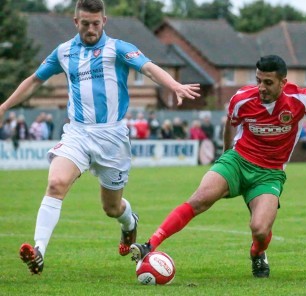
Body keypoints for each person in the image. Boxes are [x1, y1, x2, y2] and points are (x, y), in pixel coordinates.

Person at [129, 55, 306, 278]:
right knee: (199, 199)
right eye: (258, 80)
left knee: (260, 229)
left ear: (283, 82)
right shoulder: (242, 98)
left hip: (269, 173)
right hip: (238, 160)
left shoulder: (299, 99)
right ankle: (150, 244)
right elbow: (230, 123)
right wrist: (224, 155)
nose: (262, 87)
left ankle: (257, 253)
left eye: (268, 82)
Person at [0, 0, 200, 275]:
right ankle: (39, 251)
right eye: (85, 24)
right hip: (78, 133)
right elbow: (35, 80)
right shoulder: (64, 52)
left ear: (104, 21)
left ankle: (129, 223)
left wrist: (174, 85)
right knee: (56, 183)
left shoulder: (118, 48)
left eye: (96, 23)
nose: (91, 29)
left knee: (111, 207)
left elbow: (149, 68)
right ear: (76, 23)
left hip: (112, 138)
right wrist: (4, 106)